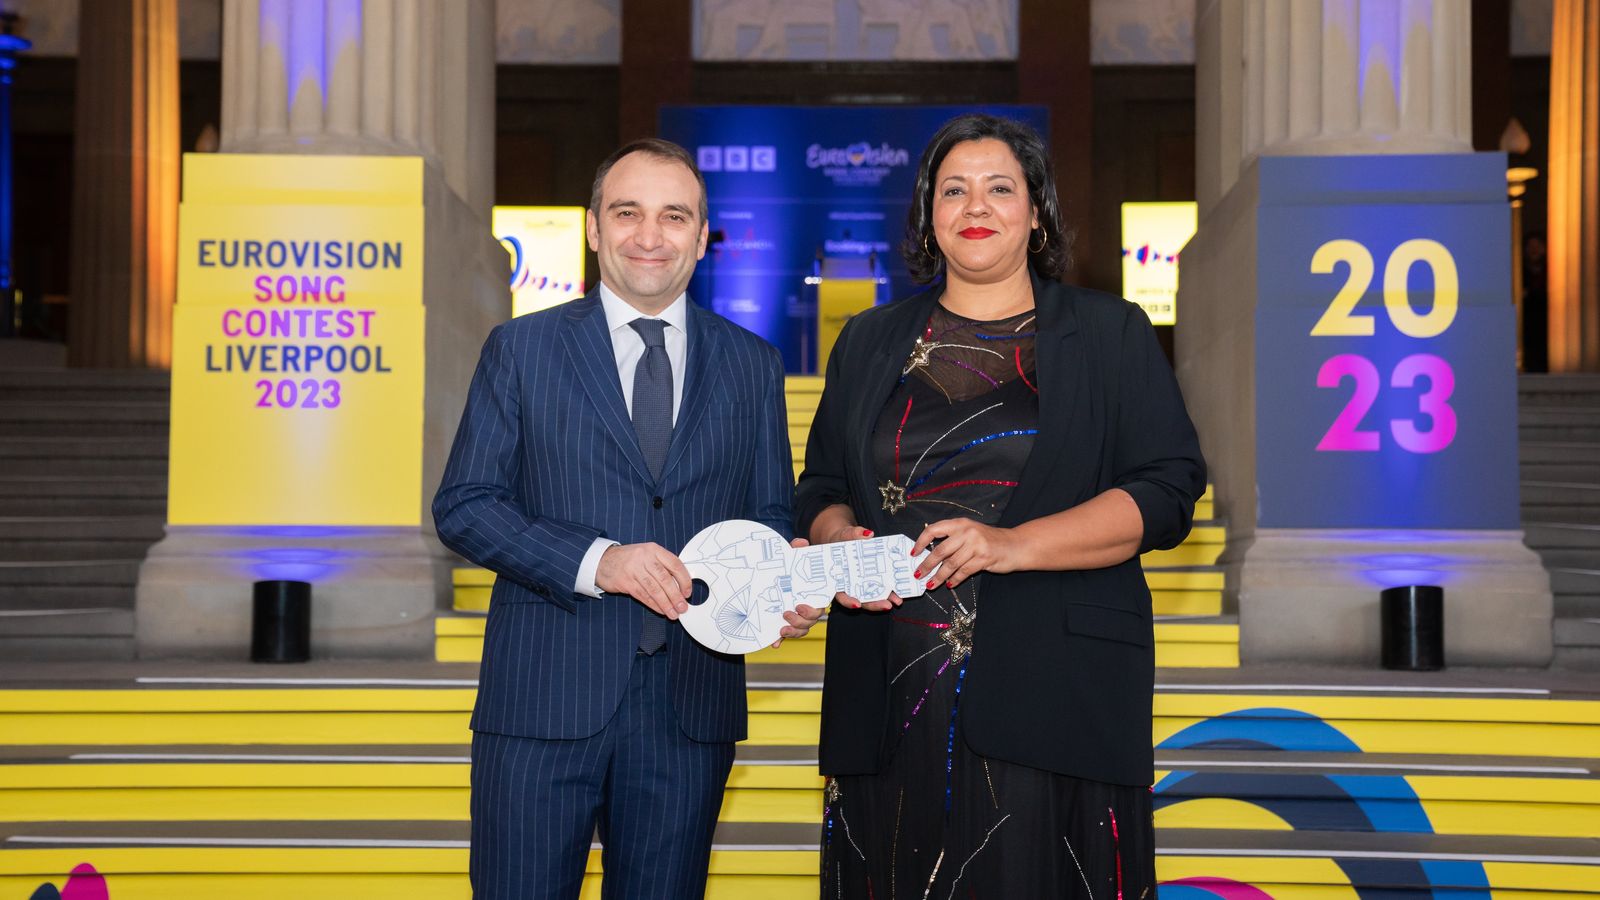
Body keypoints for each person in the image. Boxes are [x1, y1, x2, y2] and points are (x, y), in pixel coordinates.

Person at [797, 114, 1205, 898]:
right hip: (888, 692)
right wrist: (838, 541)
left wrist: (1011, 544)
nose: (974, 205)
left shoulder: (1111, 333)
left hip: (1056, 691)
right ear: (928, 216)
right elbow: (820, 487)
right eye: (953, 190)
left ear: (1037, 211)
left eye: (998, 188)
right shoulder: (869, 340)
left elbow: (1168, 487)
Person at [434, 137, 822, 899]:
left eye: (674, 216)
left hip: (689, 710)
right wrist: (599, 561)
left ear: (703, 236)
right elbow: (465, 505)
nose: (650, 235)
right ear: (592, 227)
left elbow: (769, 514)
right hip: (544, 698)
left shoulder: (752, 364)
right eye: (628, 213)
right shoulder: (522, 349)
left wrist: (779, 588)